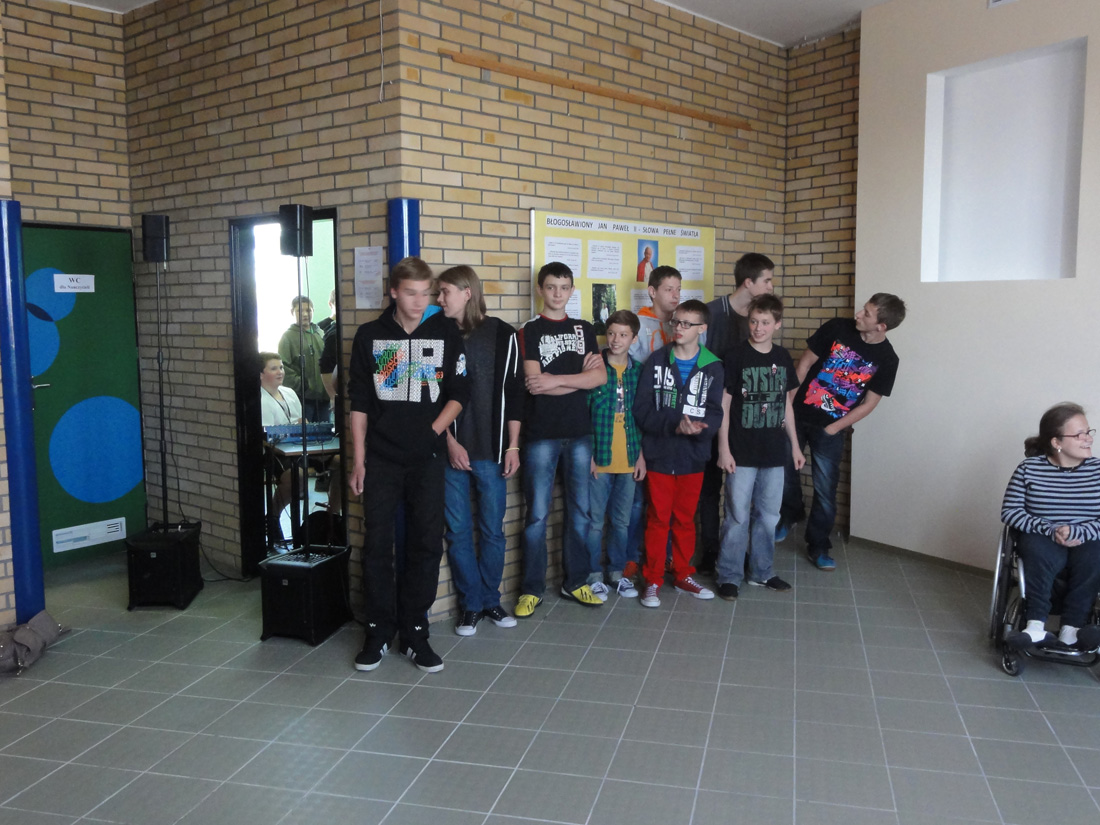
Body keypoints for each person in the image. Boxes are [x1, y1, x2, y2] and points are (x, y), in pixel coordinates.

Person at [347, 256, 469, 673]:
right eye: (411, 293)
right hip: (381, 459)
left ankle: (415, 632)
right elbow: (359, 404)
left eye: (426, 294)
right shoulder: (370, 336)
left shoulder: (445, 332)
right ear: (394, 292)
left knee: (426, 542)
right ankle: (378, 630)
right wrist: (358, 461)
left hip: (427, 458)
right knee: (378, 544)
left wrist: (431, 433)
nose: (420, 302)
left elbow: (459, 394)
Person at [779, 293, 906, 571]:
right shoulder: (837, 327)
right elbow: (804, 364)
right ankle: (790, 513)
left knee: (825, 489)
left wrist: (833, 428)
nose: (859, 314)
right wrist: (787, 409)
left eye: (867, 314)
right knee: (785, 470)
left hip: (831, 429)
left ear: (881, 326)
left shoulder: (888, 359)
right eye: (863, 309)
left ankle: (818, 545)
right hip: (798, 415)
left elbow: (870, 403)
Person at [516, 261, 607, 617]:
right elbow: (533, 384)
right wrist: (575, 380)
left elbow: (599, 378)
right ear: (540, 289)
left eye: (564, 287)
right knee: (537, 516)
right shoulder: (529, 330)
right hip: (541, 434)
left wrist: (555, 380)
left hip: (579, 433)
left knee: (580, 513)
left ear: (571, 290)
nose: (558, 293)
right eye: (551, 287)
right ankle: (531, 589)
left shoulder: (584, 329)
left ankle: (576, 582)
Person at [436, 265, 523, 636]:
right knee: (457, 532)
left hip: (492, 450)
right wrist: (448, 441)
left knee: (492, 532)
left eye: (445, 292)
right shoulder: (437, 333)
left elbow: (515, 394)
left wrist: (513, 445)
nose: (439, 299)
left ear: (466, 293)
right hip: (451, 452)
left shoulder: (504, 334)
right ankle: (470, 605)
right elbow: (430, 397)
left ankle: (491, 600)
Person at [633, 299, 723, 607]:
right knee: (658, 518)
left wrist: (700, 428)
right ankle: (653, 580)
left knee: (684, 519)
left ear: (702, 328)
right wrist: (675, 425)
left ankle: (683, 574)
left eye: (687, 323)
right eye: (676, 322)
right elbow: (642, 410)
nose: (679, 328)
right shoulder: (657, 360)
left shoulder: (713, 365)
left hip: (693, 457)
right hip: (659, 454)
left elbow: (716, 411)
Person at [715, 295, 804, 600]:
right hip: (741, 451)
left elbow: (786, 405)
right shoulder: (735, 356)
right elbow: (724, 406)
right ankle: (729, 575)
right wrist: (724, 449)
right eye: (754, 321)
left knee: (768, 516)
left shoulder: (782, 356)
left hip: (774, 452)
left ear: (777, 324)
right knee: (737, 516)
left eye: (765, 322)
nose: (758, 328)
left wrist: (795, 447)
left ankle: (762, 572)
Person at [698, 253, 776, 573]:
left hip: (747, 423)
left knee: (743, 493)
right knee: (710, 488)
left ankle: (738, 554)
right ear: (748, 282)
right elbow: (697, 365)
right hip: (712, 415)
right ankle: (709, 552)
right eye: (767, 280)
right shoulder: (712, 313)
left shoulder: (759, 317)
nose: (771, 286)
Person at [1001, 403, 1100, 648]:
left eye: (1089, 432)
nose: (1088, 439)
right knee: (1038, 550)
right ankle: (1035, 625)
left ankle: (1072, 629)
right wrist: (1050, 529)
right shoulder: (1029, 469)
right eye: (1080, 434)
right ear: (1057, 442)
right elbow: (1010, 512)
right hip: (1042, 537)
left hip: (1088, 539)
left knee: (1094, 555)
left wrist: (1080, 531)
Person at [587, 310, 645, 599]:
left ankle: (616, 573)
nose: (615, 339)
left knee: (621, 521)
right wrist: (588, 454)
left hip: (630, 457)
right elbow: (584, 413)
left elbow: (643, 417)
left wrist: (641, 457)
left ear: (634, 338)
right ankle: (593, 575)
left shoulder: (639, 371)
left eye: (623, 335)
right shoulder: (594, 367)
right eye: (611, 333)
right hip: (600, 456)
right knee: (595, 521)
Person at [259, 352, 302, 541]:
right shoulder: (260, 399)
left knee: (339, 461)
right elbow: (267, 437)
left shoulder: (290, 393)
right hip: (276, 453)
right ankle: (273, 516)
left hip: (299, 446)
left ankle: (331, 516)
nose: (280, 372)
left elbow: (300, 421)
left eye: (281, 367)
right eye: (274, 368)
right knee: (297, 476)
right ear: (261, 374)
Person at [278, 295, 328, 423]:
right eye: (300, 311)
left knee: (324, 432)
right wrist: (304, 385)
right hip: (303, 398)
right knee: (306, 432)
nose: (305, 314)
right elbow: (284, 367)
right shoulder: (288, 337)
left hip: (324, 397)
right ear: (292, 312)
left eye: (308, 310)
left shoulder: (320, 333)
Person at [629, 265, 681, 363]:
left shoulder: (683, 323)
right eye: (669, 290)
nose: (676, 296)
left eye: (678, 289)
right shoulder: (637, 325)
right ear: (652, 292)